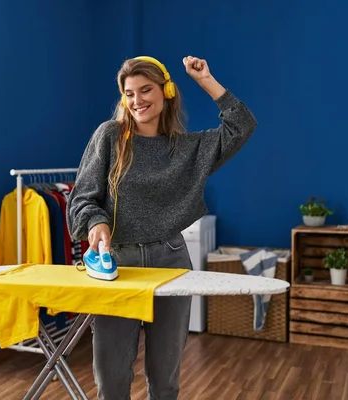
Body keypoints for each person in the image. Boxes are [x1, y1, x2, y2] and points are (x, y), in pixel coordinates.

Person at [66, 55, 257, 400]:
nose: (137, 100)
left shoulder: (188, 149)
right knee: (110, 381)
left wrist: (206, 80)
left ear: (166, 91)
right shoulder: (110, 137)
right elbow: (81, 199)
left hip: (170, 261)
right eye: (129, 93)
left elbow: (242, 125)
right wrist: (97, 225)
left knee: (165, 380)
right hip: (118, 264)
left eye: (146, 90)